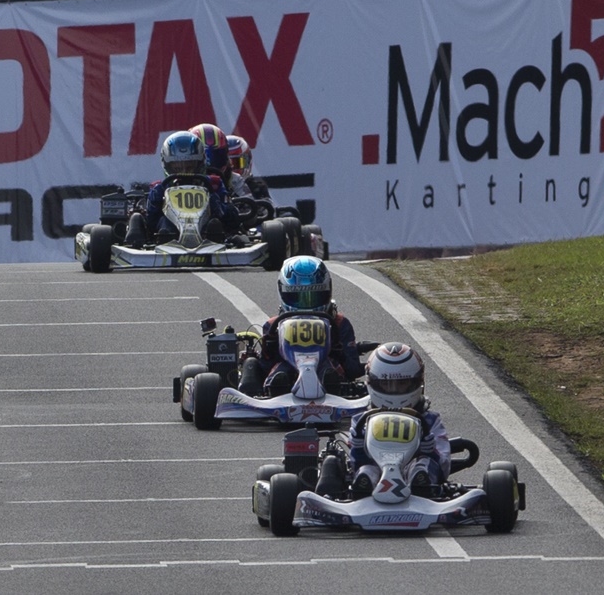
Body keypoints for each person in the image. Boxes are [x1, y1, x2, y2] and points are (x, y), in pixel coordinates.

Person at [238, 255, 361, 396]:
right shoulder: (273, 326)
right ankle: (276, 389)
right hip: (287, 373)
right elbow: (266, 367)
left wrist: (339, 353)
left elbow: (353, 370)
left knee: (328, 369)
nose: (306, 304)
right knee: (264, 367)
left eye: (314, 296)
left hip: (328, 374)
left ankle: (332, 386)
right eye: (298, 298)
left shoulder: (339, 323)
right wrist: (270, 351)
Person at [348, 342, 452, 497]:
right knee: (366, 469)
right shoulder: (361, 421)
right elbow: (354, 464)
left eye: (402, 383)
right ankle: (365, 483)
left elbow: (444, 464)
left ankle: (421, 483)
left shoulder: (430, 420)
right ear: (371, 382)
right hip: (375, 476)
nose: (394, 389)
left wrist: (430, 451)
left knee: (422, 465)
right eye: (386, 384)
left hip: (416, 481)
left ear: (418, 382)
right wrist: (358, 448)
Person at [141, 130, 238, 242]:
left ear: (200, 163)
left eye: (189, 167)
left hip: (208, 236)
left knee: (214, 223)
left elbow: (234, 221)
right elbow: (150, 225)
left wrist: (220, 208)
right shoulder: (160, 188)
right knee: (162, 222)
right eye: (177, 168)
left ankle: (213, 238)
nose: (184, 172)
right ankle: (166, 238)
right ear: (167, 166)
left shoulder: (214, 184)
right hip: (170, 237)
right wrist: (154, 207)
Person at [227, 134, 274, 208]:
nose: (232, 168)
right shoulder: (215, 186)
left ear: (248, 160)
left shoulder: (257, 188)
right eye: (228, 164)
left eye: (237, 163)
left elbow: (268, 211)